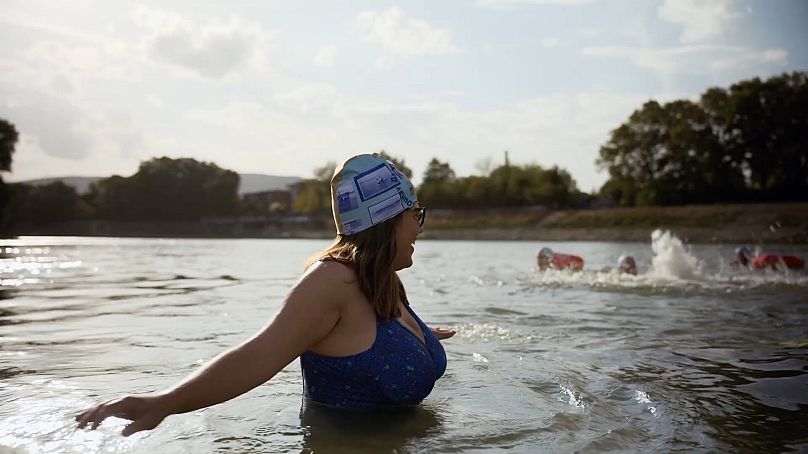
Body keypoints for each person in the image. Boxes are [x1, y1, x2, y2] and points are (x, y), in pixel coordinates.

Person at [76, 153, 456, 436]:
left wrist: (416, 335)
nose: (420, 228)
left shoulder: (384, 281)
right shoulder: (331, 282)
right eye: (415, 215)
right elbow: (258, 355)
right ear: (388, 219)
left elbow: (364, 340)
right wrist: (166, 401)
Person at [733, 246, 805, 271]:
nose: (737, 258)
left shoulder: (754, 262)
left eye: (738, 256)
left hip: (770, 259)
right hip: (789, 260)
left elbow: (767, 258)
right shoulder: (752, 260)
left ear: (743, 255)